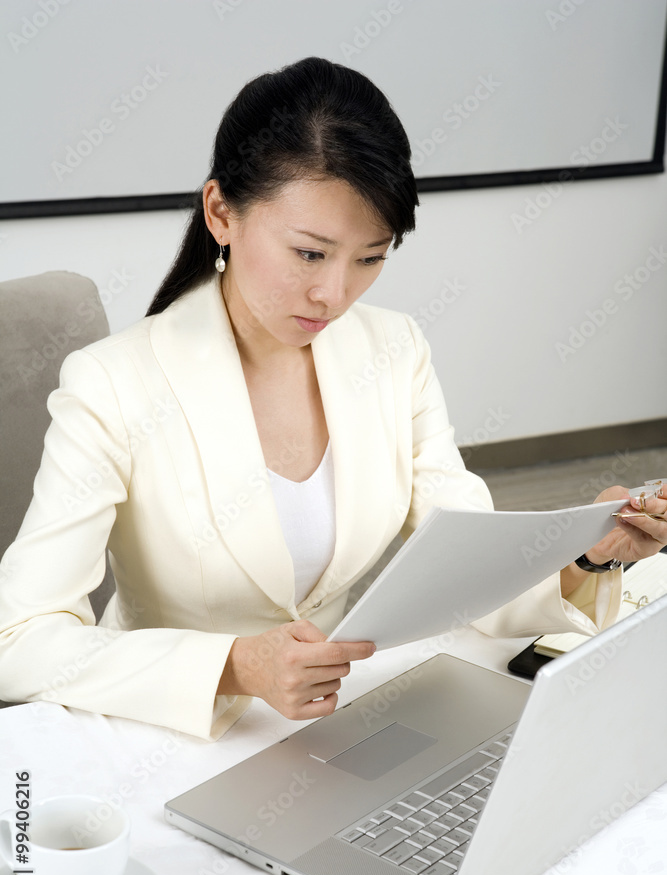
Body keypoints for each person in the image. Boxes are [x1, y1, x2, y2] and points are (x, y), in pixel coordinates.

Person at [0, 57, 665, 740]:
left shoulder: (392, 350)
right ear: (220, 212)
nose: (335, 295)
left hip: (331, 724)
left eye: (370, 257)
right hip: (164, 734)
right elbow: (17, 641)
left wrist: (585, 551)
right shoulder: (113, 382)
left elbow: (465, 560)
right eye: (310, 254)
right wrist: (231, 666)